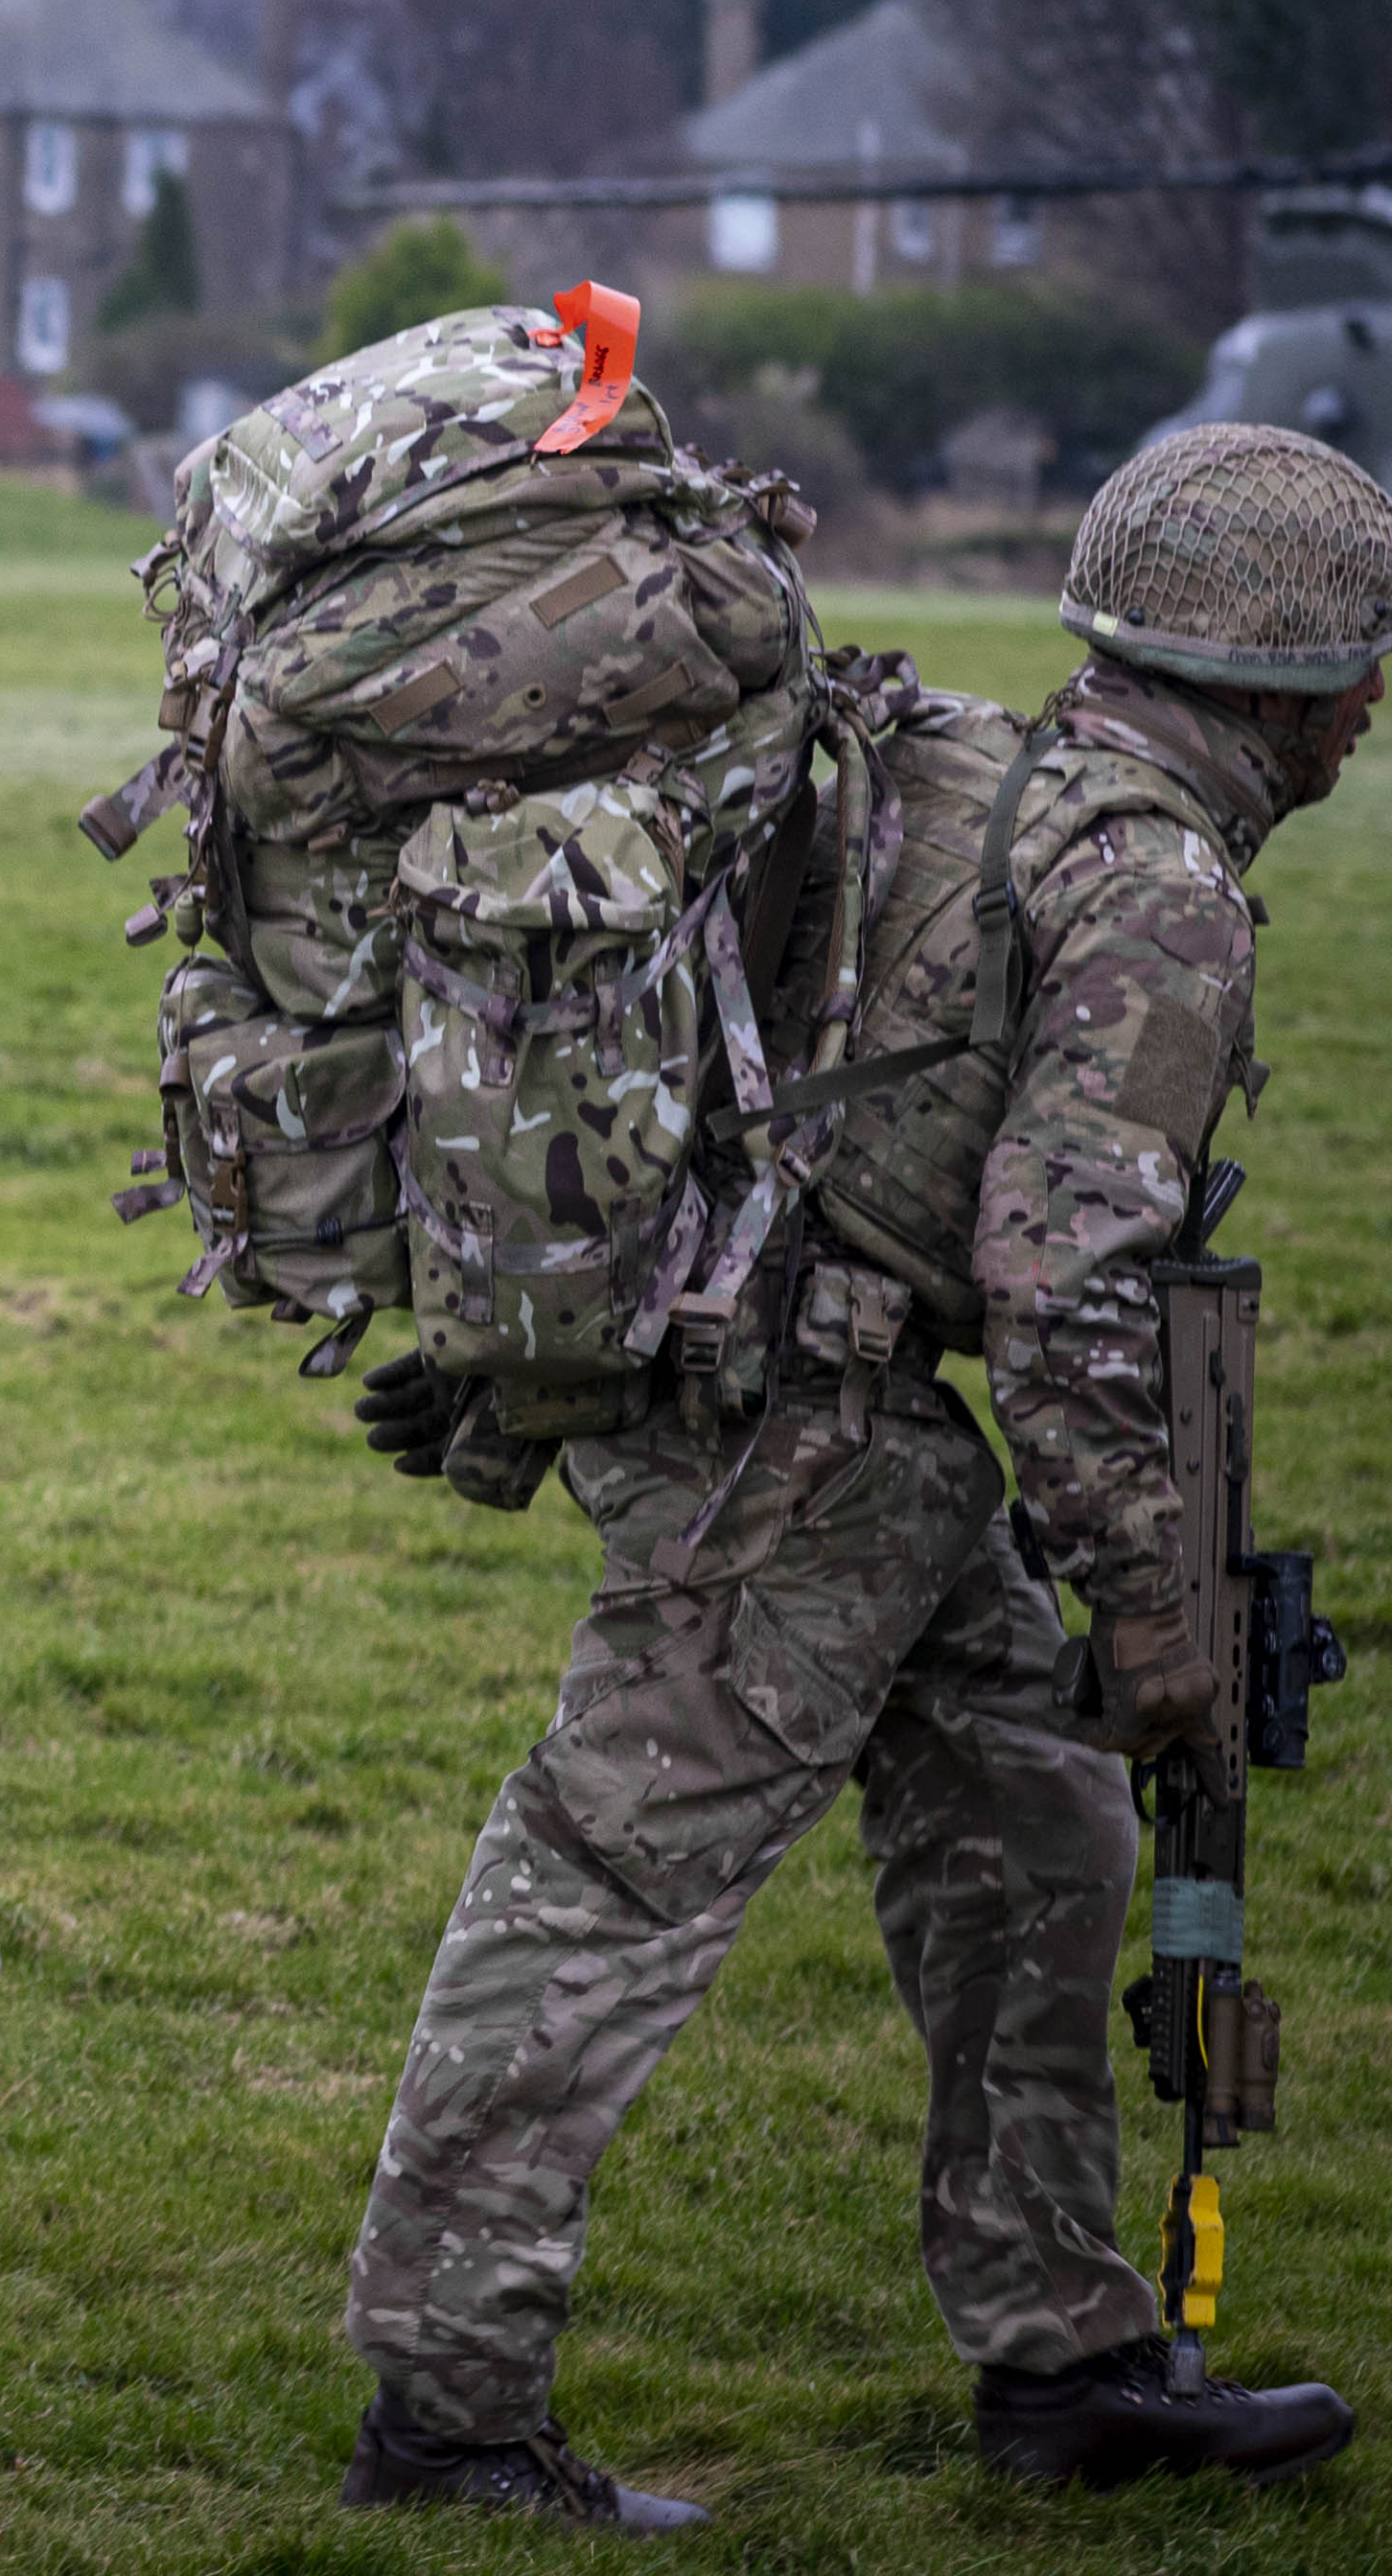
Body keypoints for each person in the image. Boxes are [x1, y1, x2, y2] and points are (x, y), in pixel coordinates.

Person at [337, 421, 1384, 2521]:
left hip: (793, 1392)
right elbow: (1069, 1263)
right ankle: (444, 2417)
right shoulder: (1157, 882)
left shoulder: (972, 756)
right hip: (799, 1432)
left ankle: (1068, 2355)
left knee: (1032, 1828)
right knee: (608, 1883)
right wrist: (1156, 1600)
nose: (1375, 700)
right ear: (1282, 677)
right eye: (1364, 657)